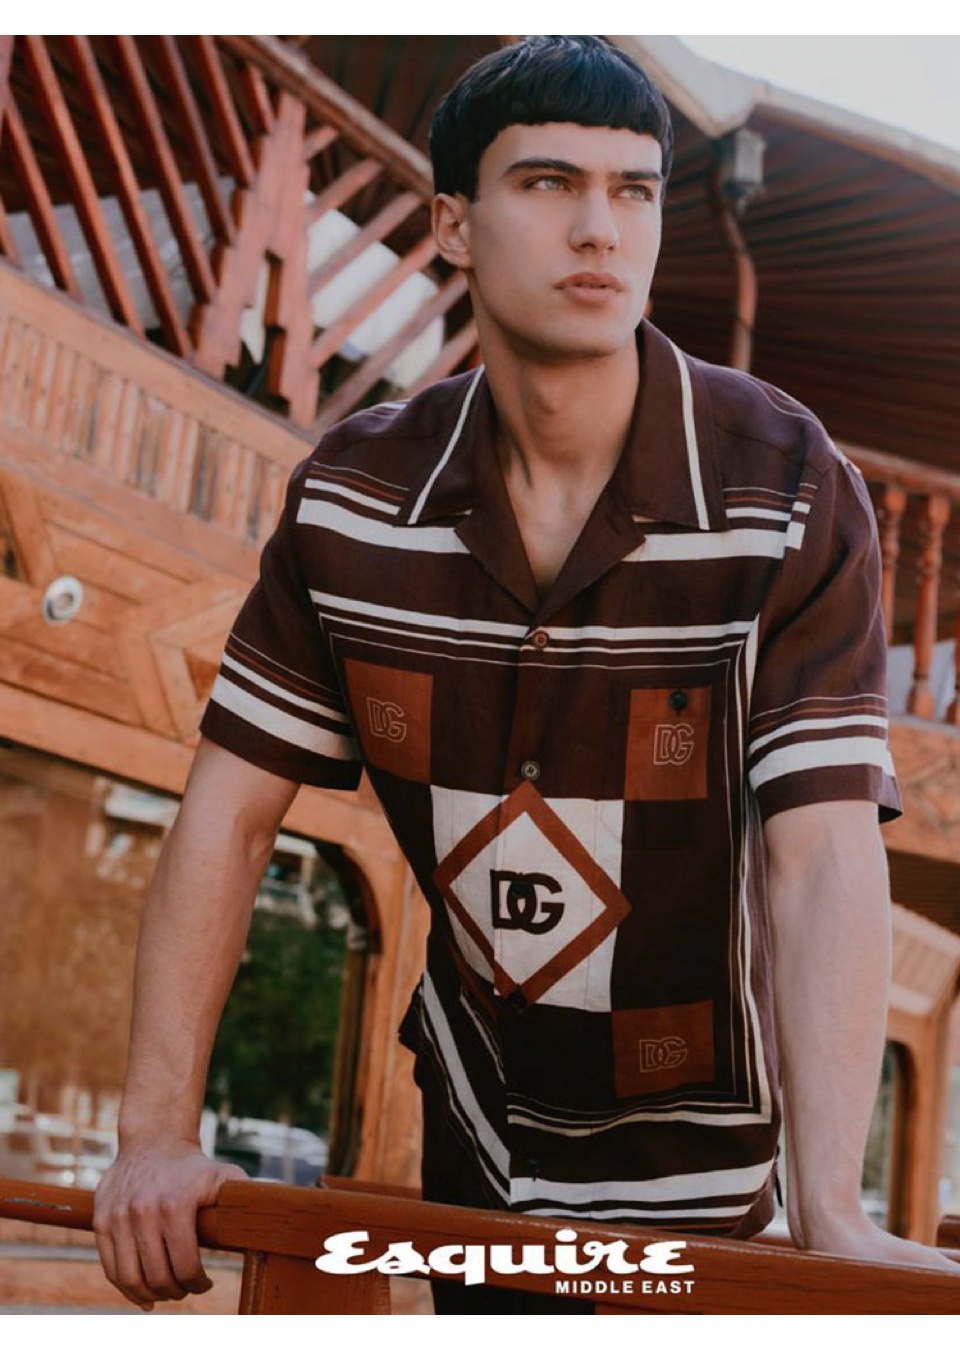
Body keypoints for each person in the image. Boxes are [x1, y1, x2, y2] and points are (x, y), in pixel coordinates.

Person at [93, 35, 957, 1313]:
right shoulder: (352, 499)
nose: (599, 228)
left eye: (633, 190)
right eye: (550, 183)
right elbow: (227, 812)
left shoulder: (784, 484)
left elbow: (824, 850)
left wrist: (835, 1205)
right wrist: (153, 1138)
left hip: (720, 1194)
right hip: (477, 1153)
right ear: (453, 222)